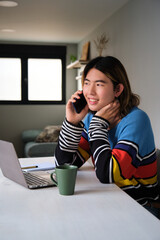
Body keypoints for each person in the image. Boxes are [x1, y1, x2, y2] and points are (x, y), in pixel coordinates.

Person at [55, 56, 159, 216]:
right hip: (110, 199)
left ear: (117, 90)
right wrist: (72, 123)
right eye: (87, 83)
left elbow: (107, 174)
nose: (90, 91)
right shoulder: (92, 117)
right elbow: (65, 164)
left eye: (99, 84)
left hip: (141, 207)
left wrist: (98, 124)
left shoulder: (136, 120)